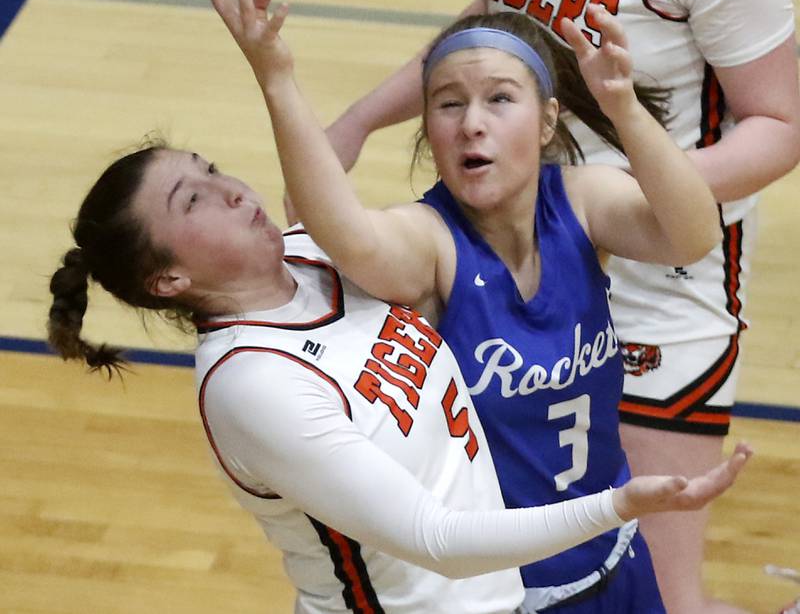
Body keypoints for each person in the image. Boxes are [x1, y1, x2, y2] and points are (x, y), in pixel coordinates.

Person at [309, 0, 800, 611]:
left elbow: (782, 124)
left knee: (662, 591)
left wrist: (639, 201)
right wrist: (363, 118)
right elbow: (500, 24)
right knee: (529, 563)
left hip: (666, 287)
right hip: (534, 267)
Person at [199, 0, 752, 612]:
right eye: (448, 104)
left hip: (614, 553)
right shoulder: (431, 242)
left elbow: (692, 234)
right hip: (508, 592)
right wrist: (278, 78)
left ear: (547, 122)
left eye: (499, 99)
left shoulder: (582, 201)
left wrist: (623, 109)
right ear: (430, 133)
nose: (472, 122)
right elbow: (343, 230)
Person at [45, 141, 752, 613]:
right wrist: (617, 505)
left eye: (207, 168)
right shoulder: (250, 383)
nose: (226, 189)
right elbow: (434, 537)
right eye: (191, 201)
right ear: (168, 278)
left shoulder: (319, 256)